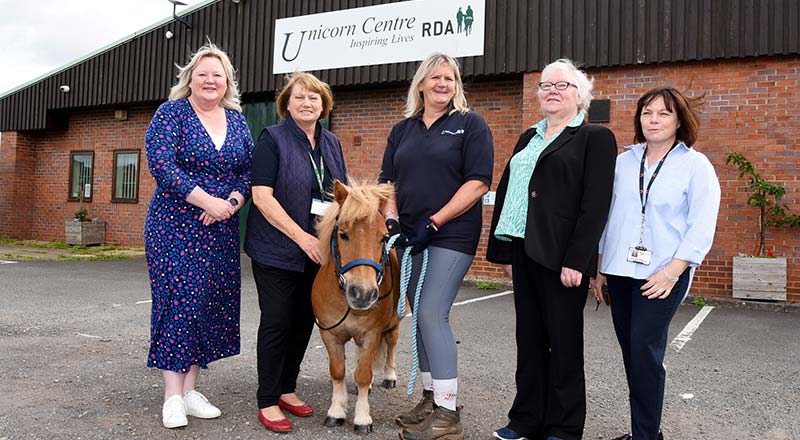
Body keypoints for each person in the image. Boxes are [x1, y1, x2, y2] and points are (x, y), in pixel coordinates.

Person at [486, 58, 618, 440]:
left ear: (580, 96)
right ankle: (525, 420)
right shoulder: (529, 136)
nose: (552, 91)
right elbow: (512, 192)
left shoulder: (594, 138)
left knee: (563, 345)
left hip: (563, 259)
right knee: (528, 342)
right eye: (546, 86)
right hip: (524, 251)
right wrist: (505, 250)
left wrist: (578, 259)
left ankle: (563, 426)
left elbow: (596, 205)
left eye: (562, 86)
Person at [590, 87, 720, 440]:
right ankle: (644, 432)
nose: (654, 120)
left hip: (662, 274)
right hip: (619, 271)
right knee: (633, 353)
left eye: (663, 113)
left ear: (679, 121)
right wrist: (600, 268)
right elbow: (610, 217)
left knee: (645, 351)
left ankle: (646, 436)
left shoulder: (695, 165)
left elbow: (702, 224)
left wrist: (673, 271)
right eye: (647, 113)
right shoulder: (623, 162)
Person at [380, 53, 494, 440]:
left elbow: (478, 182)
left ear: (456, 84)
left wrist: (435, 221)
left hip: (450, 234)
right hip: (411, 238)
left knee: (431, 314)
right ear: (421, 84)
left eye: (450, 78)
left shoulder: (470, 124)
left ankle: (448, 416)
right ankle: (431, 399)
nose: (443, 84)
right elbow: (388, 183)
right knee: (421, 315)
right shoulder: (403, 129)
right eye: (436, 78)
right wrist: (392, 218)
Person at [144, 43, 252, 429]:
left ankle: (191, 391)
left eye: (217, 75)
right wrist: (207, 200)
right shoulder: (171, 113)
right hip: (174, 225)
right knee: (179, 302)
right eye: (203, 73)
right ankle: (172, 396)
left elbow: (246, 171)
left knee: (206, 305)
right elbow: (162, 164)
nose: (210, 80)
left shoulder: (237, 120)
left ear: (227, 83)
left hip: (219, 228)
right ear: (190, 78)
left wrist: (232, 202)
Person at [244, 72, 347, 433]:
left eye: (314, 98)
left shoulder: (332, 142)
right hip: (276, 249)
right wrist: (302, 237)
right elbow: (261, 197)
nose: (307, 103)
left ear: (324, 105)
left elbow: (340, 197)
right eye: (300, 97)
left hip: (316, 254)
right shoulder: (272, 139)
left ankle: (288, 387)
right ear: (287, 104)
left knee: (305, 320)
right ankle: (268, 398)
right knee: (277, 320)